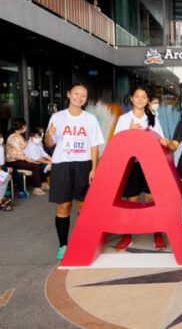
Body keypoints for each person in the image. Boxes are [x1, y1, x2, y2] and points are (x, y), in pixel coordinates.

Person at [44, 83, 105, 261]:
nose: (79, 98)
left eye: (83, 95)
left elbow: (95, 145)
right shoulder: (57, 117)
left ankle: (83, 242)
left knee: (84, 206)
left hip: (83, 164)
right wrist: (50, 134)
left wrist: (94, 168)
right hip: (62, 164)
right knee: (63, 206)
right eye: (76, 94)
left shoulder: (90, 119)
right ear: (69, 94)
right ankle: (63, 245)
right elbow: (49, 143)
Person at [113, 86, 170, 251]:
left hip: (151, 165)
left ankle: (157, 233)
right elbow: (116, 144)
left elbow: (159, 140)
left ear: (147, 100)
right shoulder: (124, 119)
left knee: (153, 199)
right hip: (131, 165)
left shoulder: (152, 118)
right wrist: (130, 133)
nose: (139, 99)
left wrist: (164, 141)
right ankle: (128, 235)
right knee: (132, 201)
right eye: (136, 96)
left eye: (143, 96)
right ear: (131, 98)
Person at [5, 118, 46, 196]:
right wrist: (29, 160)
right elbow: (18, 153)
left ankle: (43, 183)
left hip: (20, 160)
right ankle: (37, 188)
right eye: (25, 125)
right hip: (13, 161)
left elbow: (24, 148)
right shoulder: (13, 137)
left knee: (38, 162)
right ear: (22, 126)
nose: (25, 127)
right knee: (35, 165)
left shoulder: (19, 136)